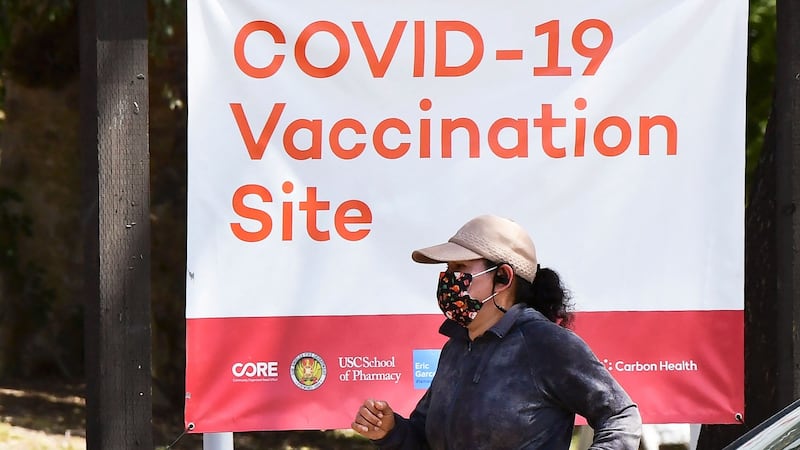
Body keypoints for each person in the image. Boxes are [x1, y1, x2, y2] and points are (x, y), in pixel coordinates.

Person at [352, 214, 642, 449]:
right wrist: (390, 431)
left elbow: (621, 416)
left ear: (503, 277)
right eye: (448, 269)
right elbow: (424, 437)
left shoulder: (545, 343)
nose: (449, 279)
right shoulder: (456, 347)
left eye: (460, 267)